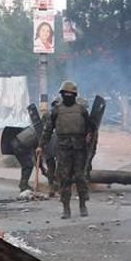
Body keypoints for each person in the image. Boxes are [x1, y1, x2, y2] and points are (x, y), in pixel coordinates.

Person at [38, 81, 94, 219]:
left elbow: (90, 126)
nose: (68, 95)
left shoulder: (81, 110)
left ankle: (82, 205)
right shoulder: (56, 110)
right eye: (66, 93)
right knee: (64, 179)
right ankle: (66, 208)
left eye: (71, 94)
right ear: (62, 94)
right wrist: (41, 145)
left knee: (81, 177)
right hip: (63, 148)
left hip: (79, 148)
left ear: (75, 95)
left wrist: (89, 135)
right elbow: (48, 130)